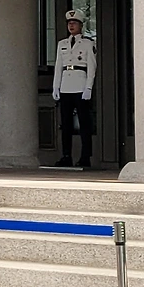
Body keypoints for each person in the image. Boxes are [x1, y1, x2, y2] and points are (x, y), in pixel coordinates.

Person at [52, 9, 97, 169]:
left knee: (84, 124)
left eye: (74, 23)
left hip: (80, 84)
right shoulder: (62, 44)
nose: (71, 26)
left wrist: (88, 87)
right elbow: (58, 66)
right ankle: (66, 155)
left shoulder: (87, 43)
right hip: (66, 85)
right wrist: (56, 87)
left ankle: (85, 156)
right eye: (69, 23)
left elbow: (91, 67)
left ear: (80, 25)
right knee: (66, 124)